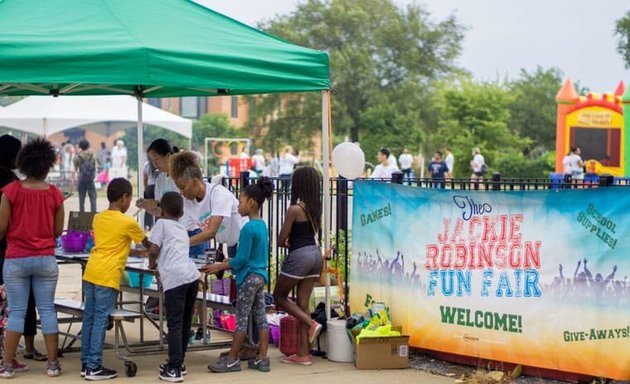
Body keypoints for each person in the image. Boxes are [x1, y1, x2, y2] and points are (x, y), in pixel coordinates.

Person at [0, 138, 64, 378]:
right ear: (47, 166)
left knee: (16, 311)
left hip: (16, 258)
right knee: (47, 309)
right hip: (45, 258)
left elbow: (1, 228)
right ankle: (53, 364)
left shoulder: (11, 191)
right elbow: (58, 231)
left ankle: (7, 365)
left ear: (23, 163)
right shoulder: (55, 193)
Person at [80, 178, 149, 381]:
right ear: (124, 198)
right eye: (130, 199)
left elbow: (117, 244)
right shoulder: (128, 221)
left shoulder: (99, 218)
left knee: (90, 318)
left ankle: (86, 363)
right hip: (107, 275)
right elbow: (147, 244)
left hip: (92, 271)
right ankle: (94, 366)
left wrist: (138, 253)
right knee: (101, 319)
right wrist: (151, 251)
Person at [204, 178, 273, 373]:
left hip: (249, 278)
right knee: (261, 317)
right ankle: (262, 358)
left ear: (251, 203)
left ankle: (232, 359)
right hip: (261, 277)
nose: (238, 205)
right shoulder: (262, 225)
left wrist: (220, 265)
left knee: (241, 319)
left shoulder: (247, 228)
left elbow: (241, 259)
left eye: (240, 201)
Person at [147, 192, 200, 382]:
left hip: (175, 280)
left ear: (161, 210)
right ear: (182, 212)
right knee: (185, 323)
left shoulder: (161, 224)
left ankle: (174, 369)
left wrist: (151, 264)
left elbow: (153, 249)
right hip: (191, 277)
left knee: (175, 324)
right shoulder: (181, 228)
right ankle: (178, 362)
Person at [274, 167, 324, 366]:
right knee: (302, 304)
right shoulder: (314, 208)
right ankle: (303, 354)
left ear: (298, 184)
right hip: (315, 255)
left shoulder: (295, 209)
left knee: (279, 296)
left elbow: (281, 239)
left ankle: (311, 323)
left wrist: (286, 241)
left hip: (300, 256)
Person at [170, 152, 246, 259]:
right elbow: (182, 231)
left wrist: (181, 244)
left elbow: (210, 232)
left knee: (242, 273)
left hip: (245, 240)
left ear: (195, 182)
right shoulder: (188, 203)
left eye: (183, 187)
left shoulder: (219, 194)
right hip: (231, 241)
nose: (181, 193)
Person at [73, 139, 98, 213]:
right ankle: (93, 214)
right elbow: (95, 166)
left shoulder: (77, 157)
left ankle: (82, 215)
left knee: (81, 199)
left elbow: (75, 169)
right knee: (93, 198)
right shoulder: (93, 156)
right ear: (88, 146)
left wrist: (74, 178)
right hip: (90, 180)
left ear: (80, 146)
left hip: (81, 180)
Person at [142, 159, 159, 230]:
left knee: (148, 206)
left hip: (150, 187)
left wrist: (146, 188)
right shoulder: (159, 163)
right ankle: (158, 224)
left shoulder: (147, 164)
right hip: (157, 186)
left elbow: (145, 178)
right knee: (158, 205)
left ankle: (147, 225)